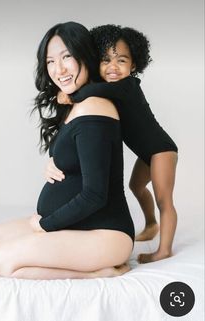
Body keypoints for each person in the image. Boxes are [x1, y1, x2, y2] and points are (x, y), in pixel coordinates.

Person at [0, 22, 135, 280]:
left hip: (104, 232)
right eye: (50, 61)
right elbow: (79, 154)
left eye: (67, 57)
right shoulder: (76, 103)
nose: (58, 69)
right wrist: (54, 161)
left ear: (85, 55)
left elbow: (95, 195)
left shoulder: (94, 107)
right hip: (74, 225)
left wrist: (44, 225)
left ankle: (100, 272)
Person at [48, 24, 178, 264]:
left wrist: (71, 95)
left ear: (134, 65)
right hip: (145, 152)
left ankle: (164, 249)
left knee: (164, 199)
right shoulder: (110, 91)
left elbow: (93, 90)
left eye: (121, 60)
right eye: (106, 60)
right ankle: (151, 224)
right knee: (136, 187)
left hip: (161, 150)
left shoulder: (128, 86)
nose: (113, 67)